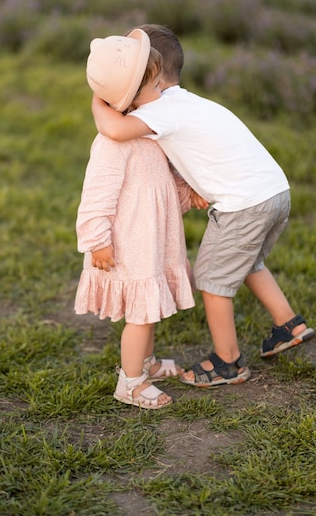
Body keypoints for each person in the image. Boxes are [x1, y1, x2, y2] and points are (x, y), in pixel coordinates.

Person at [91, 24, 316, 388]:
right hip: (275, 192)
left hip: (243, 205)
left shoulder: (163, 108)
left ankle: (228, 362)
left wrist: (100, 98)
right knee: (248, 262)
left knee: (212, 279)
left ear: (155, 79)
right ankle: (289, 323)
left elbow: (114, 131)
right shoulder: (192, 103)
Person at [74, 28, 199, 408]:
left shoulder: (145, 130)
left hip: (153, 239)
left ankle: (145, 362)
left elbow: (158, 182)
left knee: (151, 308)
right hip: (129, 244)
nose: (162, 90)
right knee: (140, 315)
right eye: (155, 84)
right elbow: (97, 194)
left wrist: (187, 194)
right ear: (132, 95)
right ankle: (130, 383)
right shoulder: (113, 143)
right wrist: (97, 241)